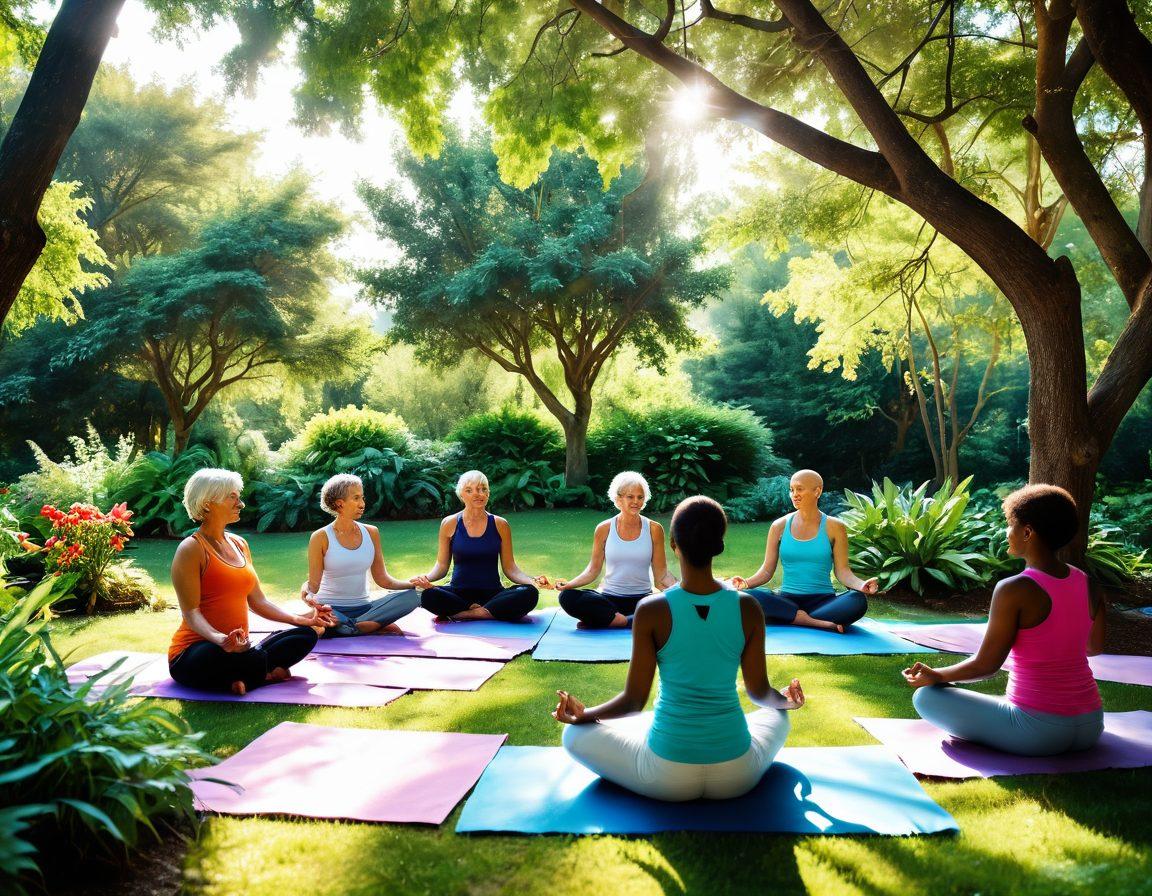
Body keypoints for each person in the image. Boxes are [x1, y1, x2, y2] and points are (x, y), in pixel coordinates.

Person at [553, 495, 806, 801]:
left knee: (574, 734)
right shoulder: (748, 607)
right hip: (736, 774)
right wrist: (785, 700)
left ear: (674, 544)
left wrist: (585, 714)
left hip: (665, 773)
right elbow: (758, 692)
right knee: (778, 714)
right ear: (720, 545)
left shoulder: (650, 609)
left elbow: (634, 701)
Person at [903, 484, 1105, 756]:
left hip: (1039, 733)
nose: (1006, 532)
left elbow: (986, 666)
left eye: (1010, 524)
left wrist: (937, 675)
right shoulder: (1087, 583)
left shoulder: (1014, 588)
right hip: (1091, 724)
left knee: (926, 697)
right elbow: (1093, 647)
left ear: (1027, 532)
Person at [169, 468, 333, 696]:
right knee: (219, 656)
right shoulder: (191, 549)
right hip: (196, 650)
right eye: (232, 497)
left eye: (239, 496)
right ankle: (259, 673)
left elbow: (259, 602)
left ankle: (242, 678)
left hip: (242, 648)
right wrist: (221, 640)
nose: (240, 504)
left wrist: (304, 620)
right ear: (208, 504)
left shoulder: (239, 544)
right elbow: (191, 614)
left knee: (304, 636)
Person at [731, 469, 877, 632]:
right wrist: (746, 583)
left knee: (857, 600)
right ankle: (815, 622)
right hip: (787, 600)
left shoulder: (835, 527)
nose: (794, 494)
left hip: (824, 602)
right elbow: (766, 571)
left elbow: (843, 572)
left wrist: (861, 584)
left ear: (817, 491)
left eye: (799, 489)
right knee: (745, 597)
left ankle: (792, 618)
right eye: (791, 489)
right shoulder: (778, 526)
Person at [412, 470, 547, 622]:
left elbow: (510, 568)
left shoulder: (500, 524)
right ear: (461, 494)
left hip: (493, 595)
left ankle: (466, 614)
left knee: (529, 593)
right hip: (458, 594)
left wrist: (532, 581)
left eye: (483, 489)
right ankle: (489, 613)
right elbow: (441, 566)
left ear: (488, 494)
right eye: (470, 490)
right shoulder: (449, 523)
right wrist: (425, 579)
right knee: (428, 595)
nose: (478, 494)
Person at [300, 474, 420, 637]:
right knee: (327, 618)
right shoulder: (320, 537)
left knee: (412, 597)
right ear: (339, 503)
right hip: (332, 609)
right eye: (356, 498)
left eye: (362, 498)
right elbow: (314, 585)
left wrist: (413, 585)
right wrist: (306, 590)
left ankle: (348, 627)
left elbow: (383, 579)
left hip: (365, 608)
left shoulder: (371, 532)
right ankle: (359, 626)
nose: (362, 504)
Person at [554, 471, 678, 629]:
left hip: (642, 600)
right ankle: (626, 621)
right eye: (630, 497)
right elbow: (593, 570)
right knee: (567, 597)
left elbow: (661, 575)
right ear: (618, 499)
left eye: (640, 497)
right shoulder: (604, 528)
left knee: (670, 604)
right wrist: (568, 585)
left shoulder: (654, 529)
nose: (636, 502)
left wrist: (680, 589)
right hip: (609, 599)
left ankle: (609, 620)